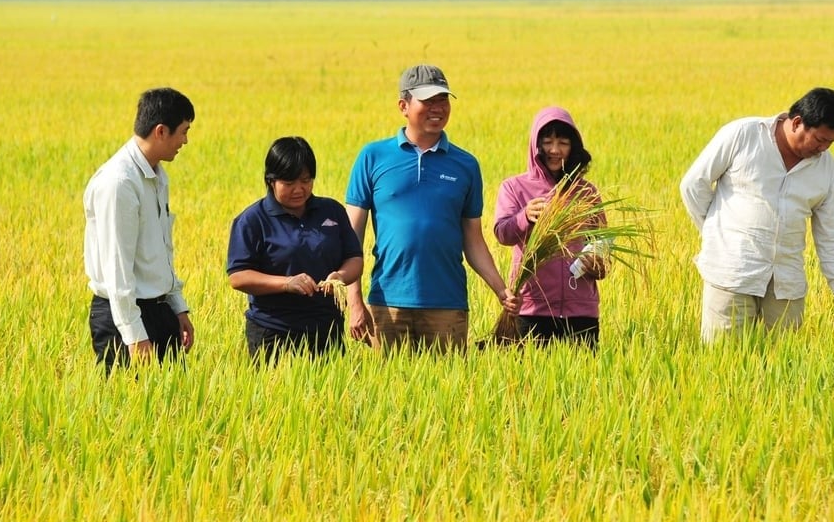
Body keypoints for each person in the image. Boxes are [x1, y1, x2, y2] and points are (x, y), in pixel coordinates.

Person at [343, 64, 517, 351]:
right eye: (428, 100)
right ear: (403, 105)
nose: (438, 108)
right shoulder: (372, 157)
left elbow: (472, 240)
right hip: (386, 304)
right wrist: (354, 302)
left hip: (447, 305)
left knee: (447, 391)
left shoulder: (465, 165)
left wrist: (501, 290)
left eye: (443, 100)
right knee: (387, 391)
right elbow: (351, 240)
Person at [680, 87, 834, 341]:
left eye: (831, 142)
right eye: (820, 140)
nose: (824, 148)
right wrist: (715, 233)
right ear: (797, 122)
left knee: (783, 369)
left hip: (786, 285)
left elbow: (832, 234)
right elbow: (693, 185)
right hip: (733, 274)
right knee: (723, 365)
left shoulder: (825, 166)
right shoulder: (743, 135)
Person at [84, 87, 196, 372]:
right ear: (161, 131)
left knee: (174, 407)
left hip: (159, 310)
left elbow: (161, 251)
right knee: (130, 410)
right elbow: (117, 268)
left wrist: (177, 306)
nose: (185, 140)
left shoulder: (157, 175)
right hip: (123, 317)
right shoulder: (119, 183)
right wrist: (134, 336)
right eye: (183, 131)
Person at [227, 137, 364, 359]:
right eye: (289, 184)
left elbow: (354, 258)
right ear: (271, 181)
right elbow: (239, 276)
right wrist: (286, 283)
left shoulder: (331, 211)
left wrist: (340, 276)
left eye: (306, 181)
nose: (299, 189)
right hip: (273, 332)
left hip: (326, 329)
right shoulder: (253, 220)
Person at [494, 107, 607, 346]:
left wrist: (598, 265)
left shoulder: (586, 192)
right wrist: (525, 216)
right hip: (531, 309)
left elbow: (602, 246)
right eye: (547, 142)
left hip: (581, 311)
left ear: (573, 147)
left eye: (563, 143)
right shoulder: (515, 187)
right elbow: (502, 233)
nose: (554, 150)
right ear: (536, 145)